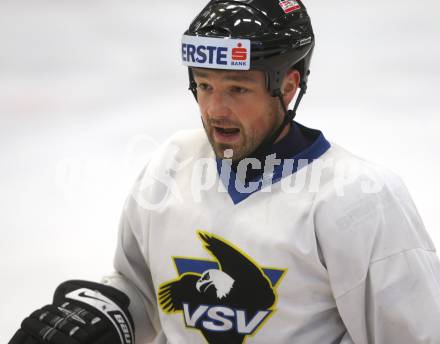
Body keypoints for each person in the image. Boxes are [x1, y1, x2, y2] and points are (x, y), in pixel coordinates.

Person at [9, 0, 440, 343]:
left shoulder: (358, 197)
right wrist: (107, 313)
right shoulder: (173, 162)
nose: (216, 109)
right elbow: (144, 291)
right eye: (205, 85)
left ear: (288, 86)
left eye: (237, 89)